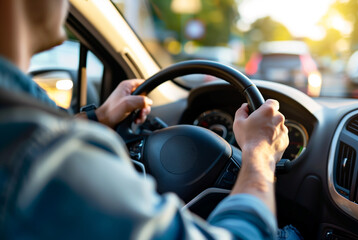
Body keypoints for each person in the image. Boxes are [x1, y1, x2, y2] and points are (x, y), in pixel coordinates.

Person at [0, 0, 293, 239]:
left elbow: (51, 125)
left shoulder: (18, 106)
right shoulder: (41, 160)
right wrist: (259, 153)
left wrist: (100, 116)